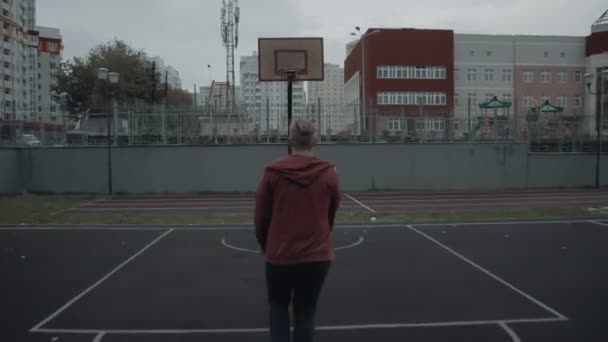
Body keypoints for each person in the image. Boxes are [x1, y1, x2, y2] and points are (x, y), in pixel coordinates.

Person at [255, 119, 341, 342]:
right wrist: (322, 238)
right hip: (316, 257)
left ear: (289, 139)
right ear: (314, 141)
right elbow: (330, 214)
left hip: (280, 255)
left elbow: (261, 216)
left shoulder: (272, 172)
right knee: (306, 312)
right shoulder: (329, 172)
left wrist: (265, 244)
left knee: (278, 307)